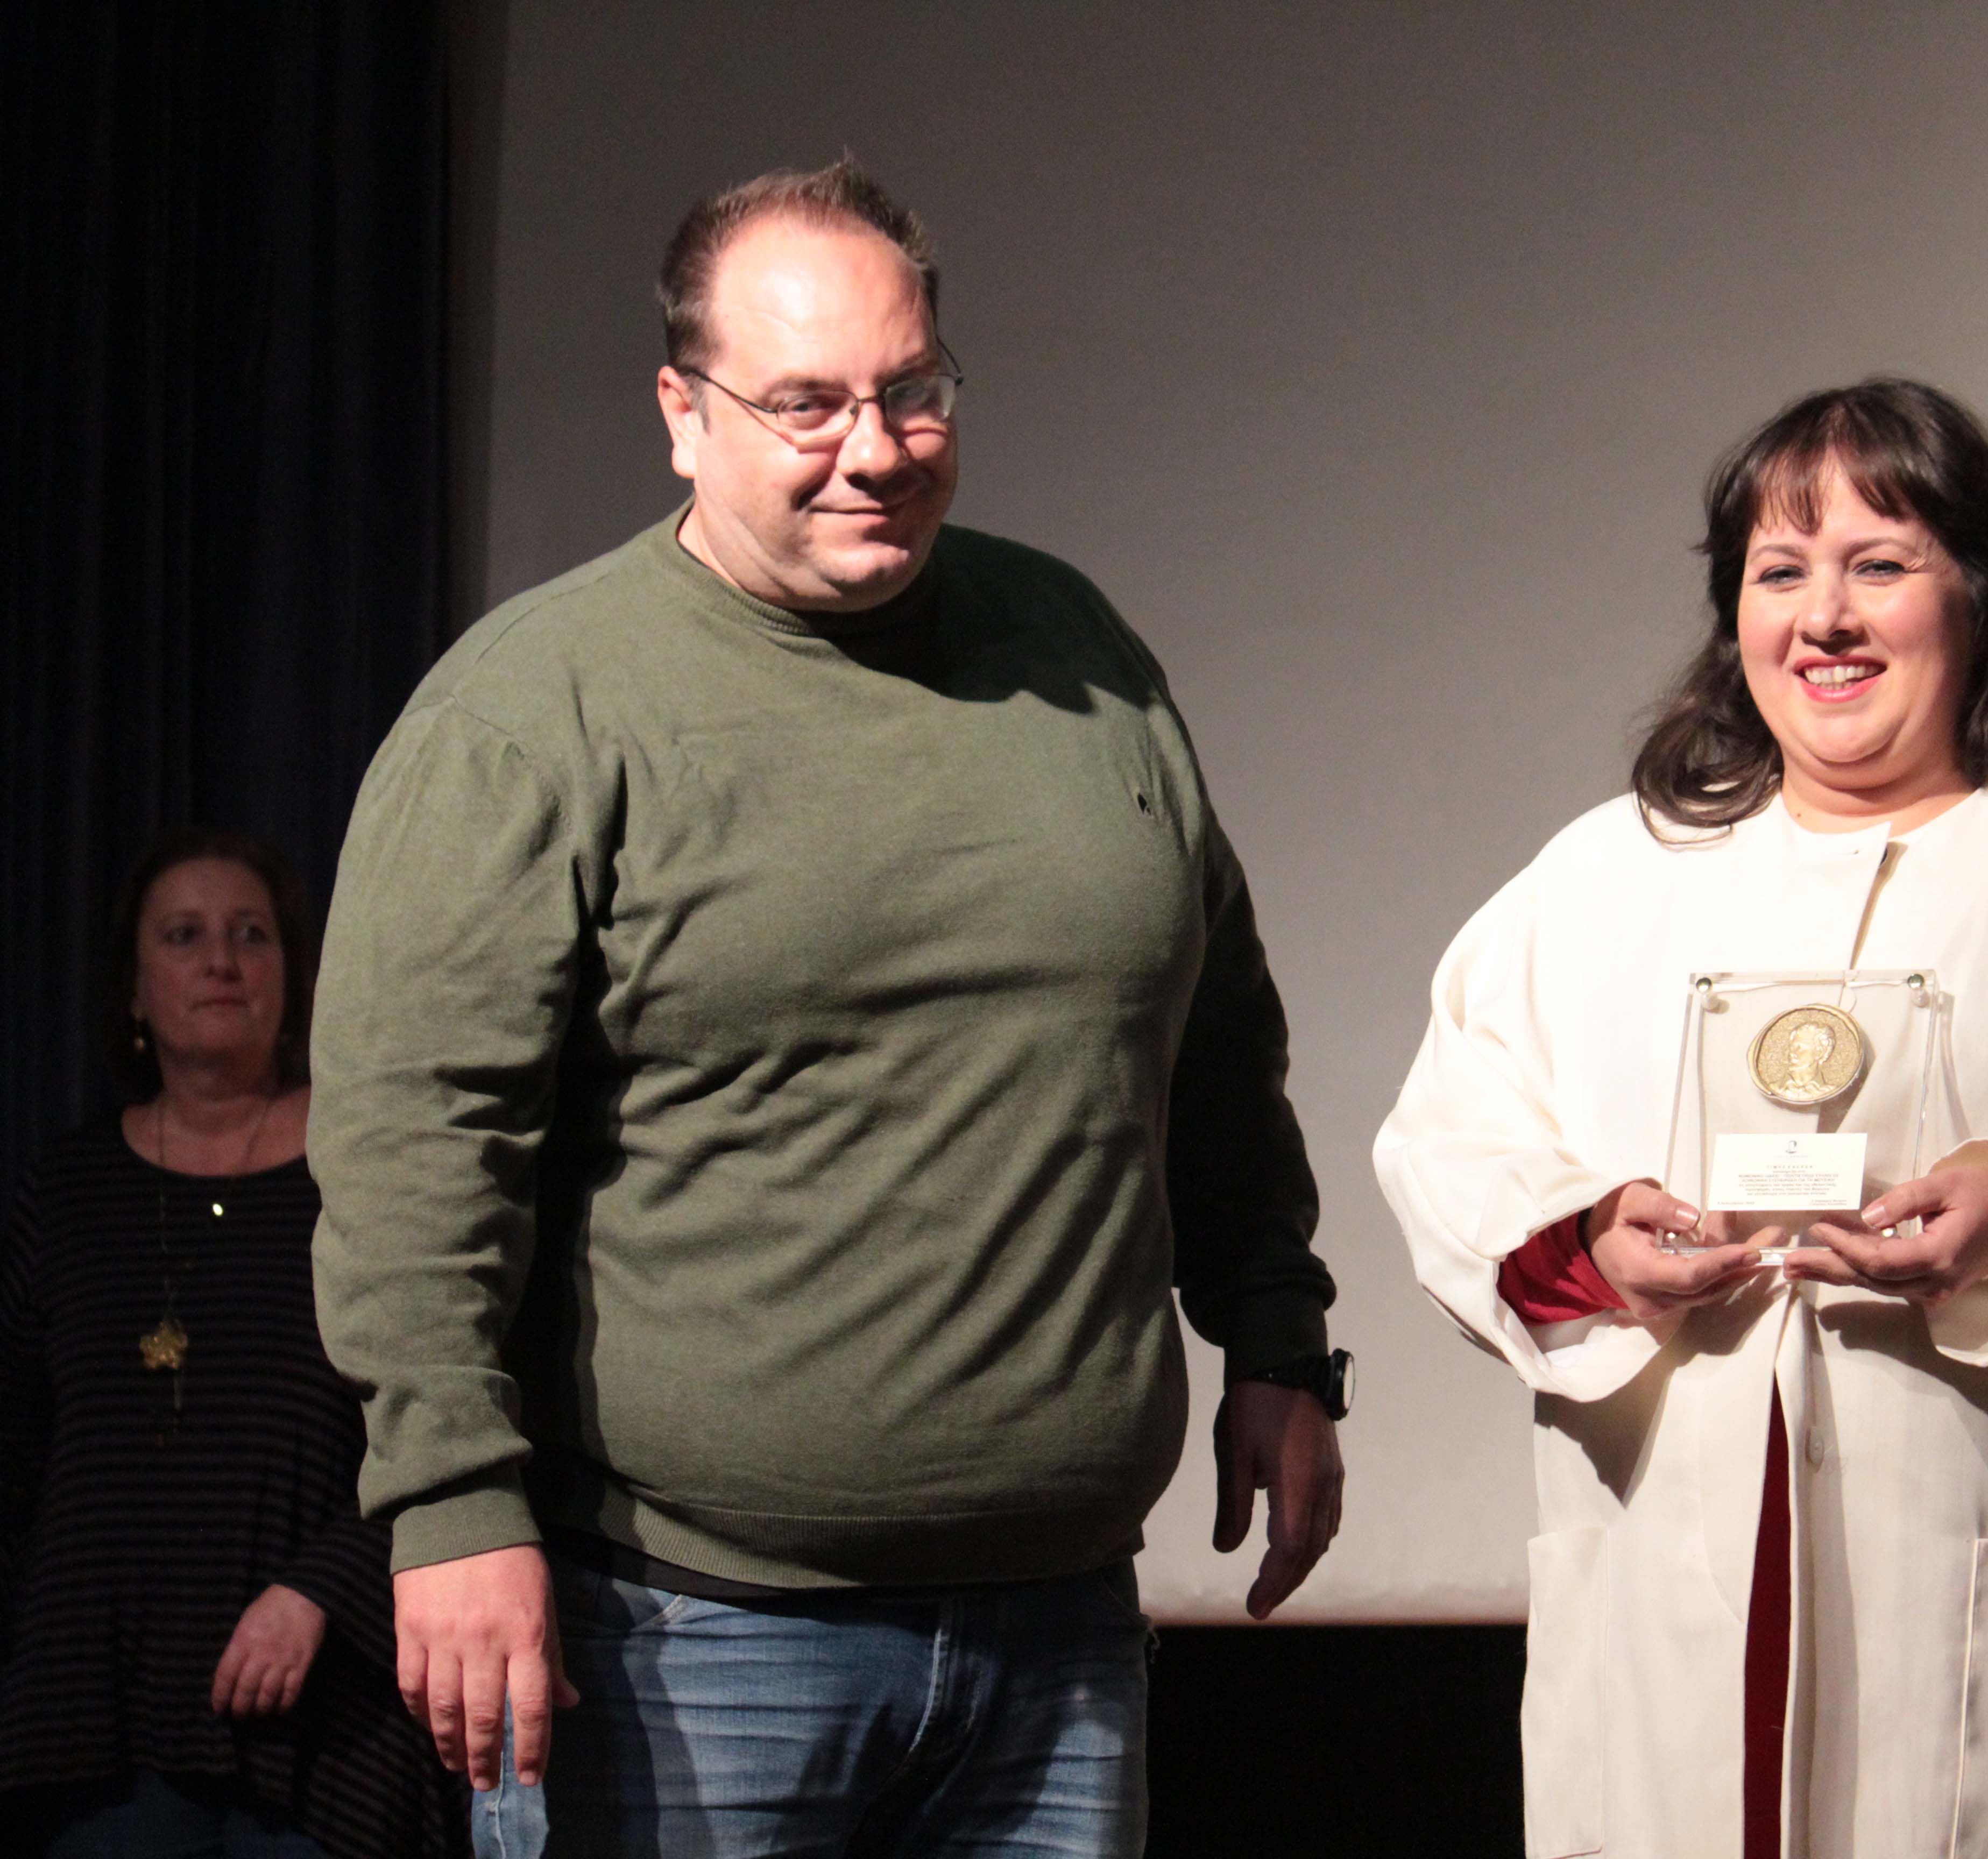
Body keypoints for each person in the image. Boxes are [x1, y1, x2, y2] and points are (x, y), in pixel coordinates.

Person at [308, 159, 1346, 1856]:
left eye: (911, 391)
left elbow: (1214, 1041)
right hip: (682, 1642)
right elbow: (417, 1149)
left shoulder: (1074, 649)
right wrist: (447, 1502)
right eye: (804, 404)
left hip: (1060, 1645)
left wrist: (1278, 1339)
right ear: (682, 414)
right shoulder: (535, 713)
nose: (874, 449)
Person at [1376, 380, 1988, 1859]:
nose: (1824, 619)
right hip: (1672, 1606)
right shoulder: (1601, 882)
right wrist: (1589, 1243)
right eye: (1779, 572)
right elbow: (1449, 1145)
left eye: (1880, 564)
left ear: (1981, 596)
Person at [0, 829, 465, 1858]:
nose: (221, 960)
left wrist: (324, 1590)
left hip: (327, 1743)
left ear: (293, 980)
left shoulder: (367, 1176)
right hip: (99, 1747)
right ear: (133, 991)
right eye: (185, 936)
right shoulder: (65, 1194)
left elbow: (448, 1426)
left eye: (252, 935)